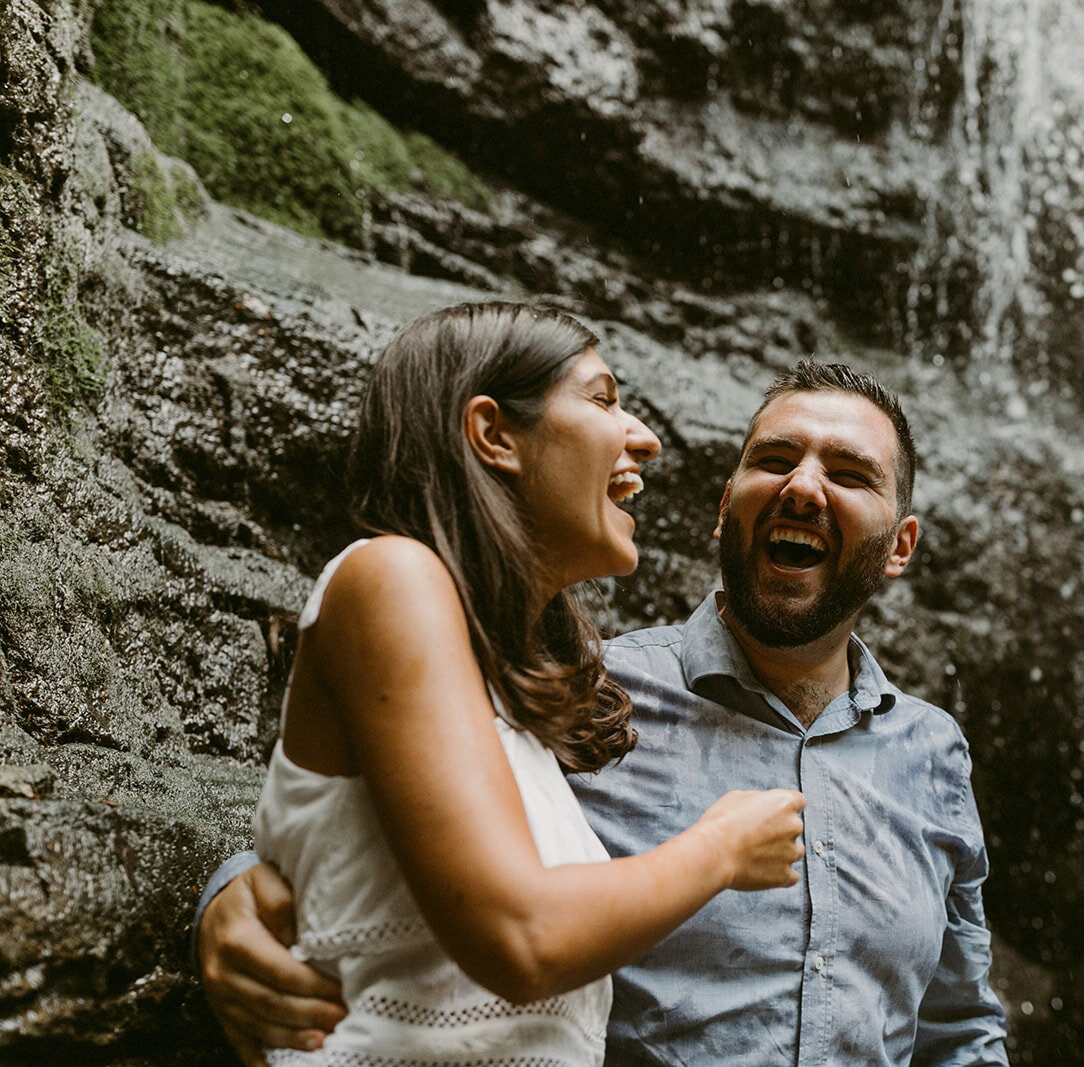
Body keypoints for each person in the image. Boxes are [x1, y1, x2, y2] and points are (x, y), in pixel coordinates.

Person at [199, 359, 1010, 1066]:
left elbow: (959, 1031)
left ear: (901, 544)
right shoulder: (576, 690)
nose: (802, 486)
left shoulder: (932, 754)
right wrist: (231, 896)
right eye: (775, 460)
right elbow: (362, 816)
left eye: (849, 472)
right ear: (725, 507)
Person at [237, 300, 806, 1066]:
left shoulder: (521, 702)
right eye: (604, 398)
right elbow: (521, 936)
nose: (645, 435)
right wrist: (720, 848)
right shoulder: (391, 573)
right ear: (493, 434)